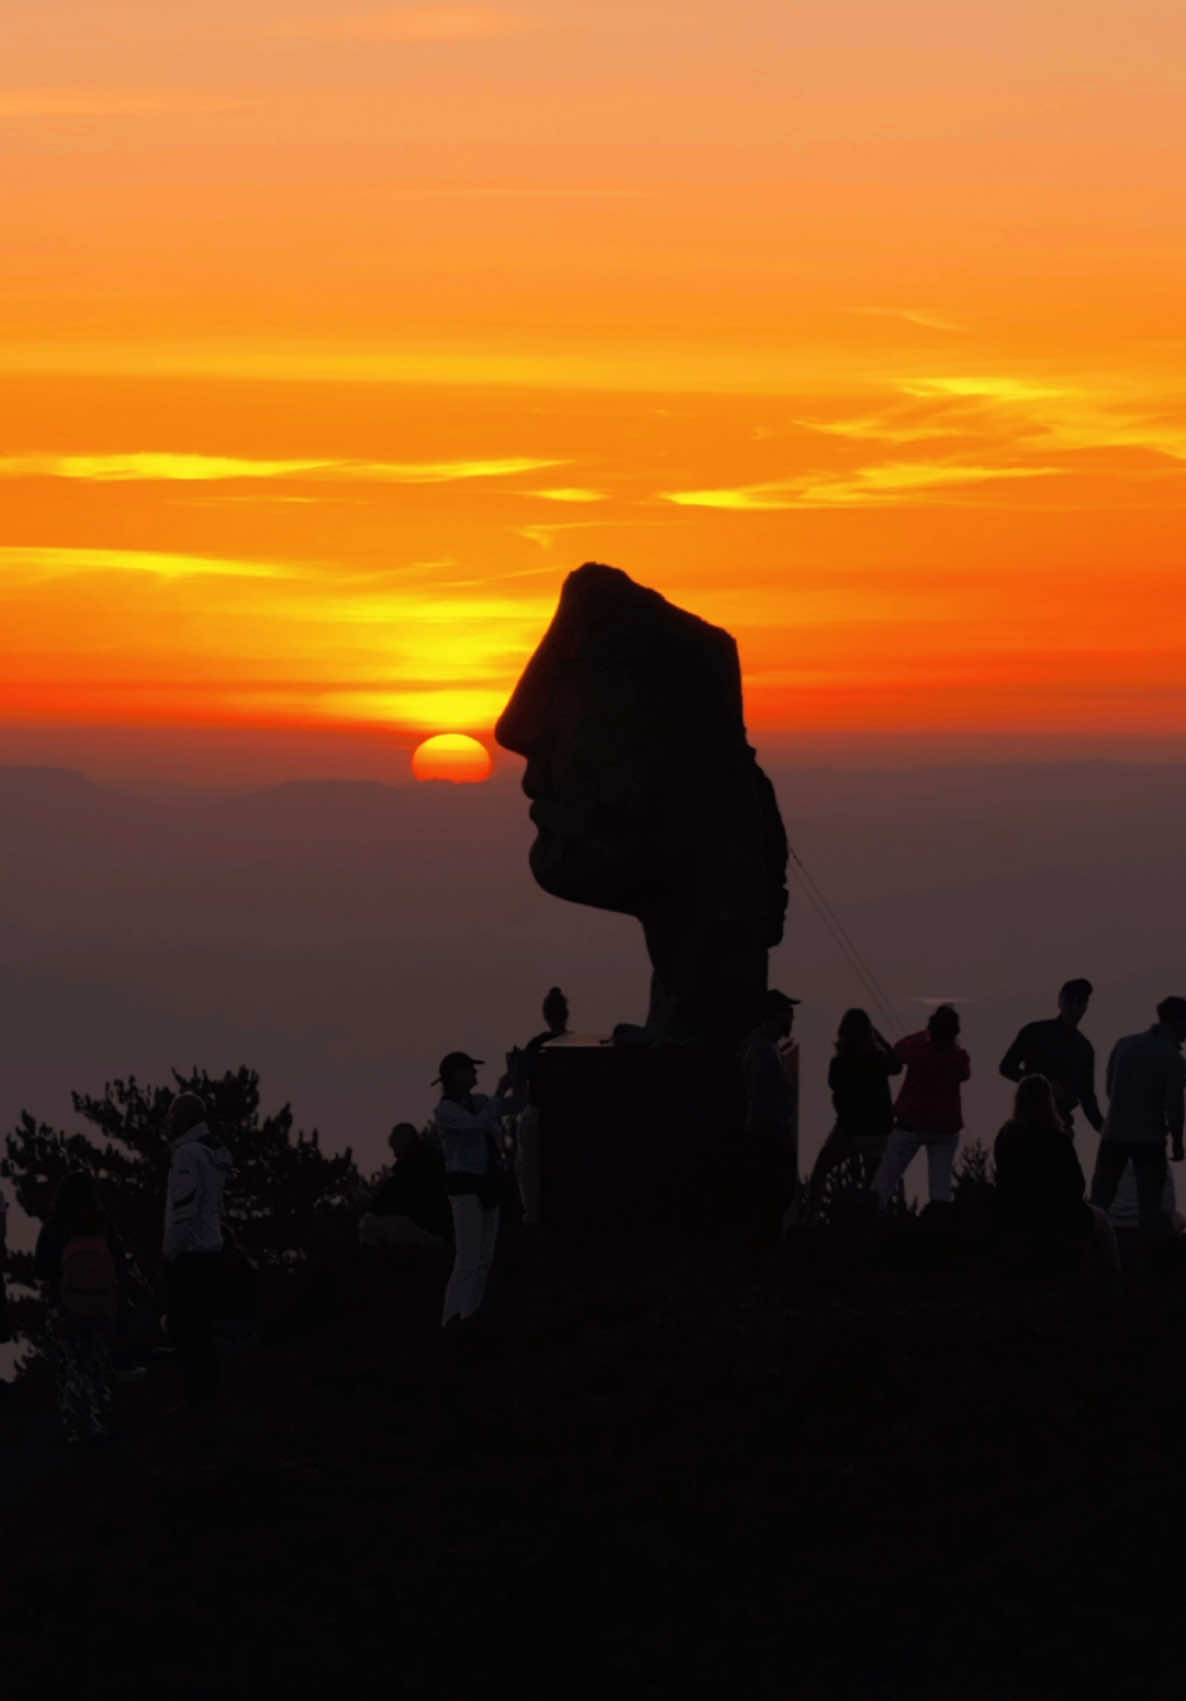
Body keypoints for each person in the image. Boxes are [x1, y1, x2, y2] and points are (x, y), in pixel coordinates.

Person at [994, 1075, 1119, 1273]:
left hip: (1014, 1212)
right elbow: (1077, 1184)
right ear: (1049, 1101)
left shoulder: (1006, 1135)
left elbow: (1002, 1175)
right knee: (1102, 1221)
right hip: (1057, 1215)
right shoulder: (1057, 1139)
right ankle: (1112, 1279)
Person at [34, 1171, 125, 1443]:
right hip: (101, 1305)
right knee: (98, 1361)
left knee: (72, 1363)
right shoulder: (102, 1223)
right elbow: (119, 1265)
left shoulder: (55, 1225)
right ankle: (101, 1420)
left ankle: (74, 1426)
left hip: (65, 1306)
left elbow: (41, 1268)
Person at [434, 1052, 521, 1328]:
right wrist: (501, 1088)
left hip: (487, 1185)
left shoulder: (479, 1102)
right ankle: (451, 1318)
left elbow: (512, 1106)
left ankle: (469, 1315)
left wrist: (518, 1079)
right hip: (464, 1188)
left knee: (484, 1259)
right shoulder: (445, 1111)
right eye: (469, 1069)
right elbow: (477, 1124)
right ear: (456, 1075)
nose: (474, 1073)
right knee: (468, 1258)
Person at [1089, 996, 1186, 1231]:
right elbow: (1174, 1108)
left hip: (1113, 1134)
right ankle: (1149, 1262)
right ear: (1176, 1022)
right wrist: (1177, 1142)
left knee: (1099, 1203)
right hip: (1148, 1139)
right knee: (1151, 1208)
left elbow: (1110, 1089)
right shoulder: (1173, 1059)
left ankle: (1089, 1254)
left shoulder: (1123, 1044)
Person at [162, 1091, 232, 1410]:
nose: (169, 1121)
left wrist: (169, 1252)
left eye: (173, 1115)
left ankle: (193, 1402)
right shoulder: (213, 1152)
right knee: (204, 1333)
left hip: (190, 1255)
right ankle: (209, 1399)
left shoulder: (187, 1155)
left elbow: (183, 1211)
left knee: (185, 1331)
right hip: (213, 1251)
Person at [872, 1005, 970, 1208]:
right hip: (945, 1129)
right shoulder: (959, 1057)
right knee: (940, 1191)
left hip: (910, 1124)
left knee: (883, 1183)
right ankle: (939, 1227)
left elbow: (897, 1052)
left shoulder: (917, 1046)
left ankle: (870, 1220)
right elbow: (964, 1074)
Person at [806, 1009, 902, 1218]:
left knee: (821, 1170)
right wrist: (881, 1040)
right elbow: (897, 1065)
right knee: (874, 1186)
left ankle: (811, 1217)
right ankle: (875, 1225)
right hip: (878, 1131)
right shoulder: (877, 1059)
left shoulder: (839, 1063)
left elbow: (838, 1097)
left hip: (849, 1130)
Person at [999, 978, 1103, 1136]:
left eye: (1081, 1001)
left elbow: (1087, 1095)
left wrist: (1103, 1127)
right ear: (1060, 1001)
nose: (1075, 1006)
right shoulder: (1034, 1032)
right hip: (1028, 1125)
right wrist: (1043, 1085)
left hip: (1061, 1127)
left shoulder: (1084, 1049)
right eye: (1071, 1000)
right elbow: (1006, 1067)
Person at [739, 989, 801, 1234]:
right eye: (787, 1013)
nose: (791, 1018)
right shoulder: (761, 1051)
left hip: (769, 1135)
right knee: (770, 1204)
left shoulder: (766, 1047)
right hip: (767, 1137)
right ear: (773, 1016)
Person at [512, 987, 570, 1227]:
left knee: (530, 1175)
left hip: (541, 1114)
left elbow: (520, 1081)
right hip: (559, 1115)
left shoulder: (537, 1045)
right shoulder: (572, 1043)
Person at [359, 1122, 450, 1248]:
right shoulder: (430, 1157)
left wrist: (368, 1200)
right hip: (439, 1229)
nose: (395, 1155)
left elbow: (385, 1202)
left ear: (403, 1142)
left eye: (395, 1149)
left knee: (369, 1223)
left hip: (430, 1231)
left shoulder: (412, 1163)